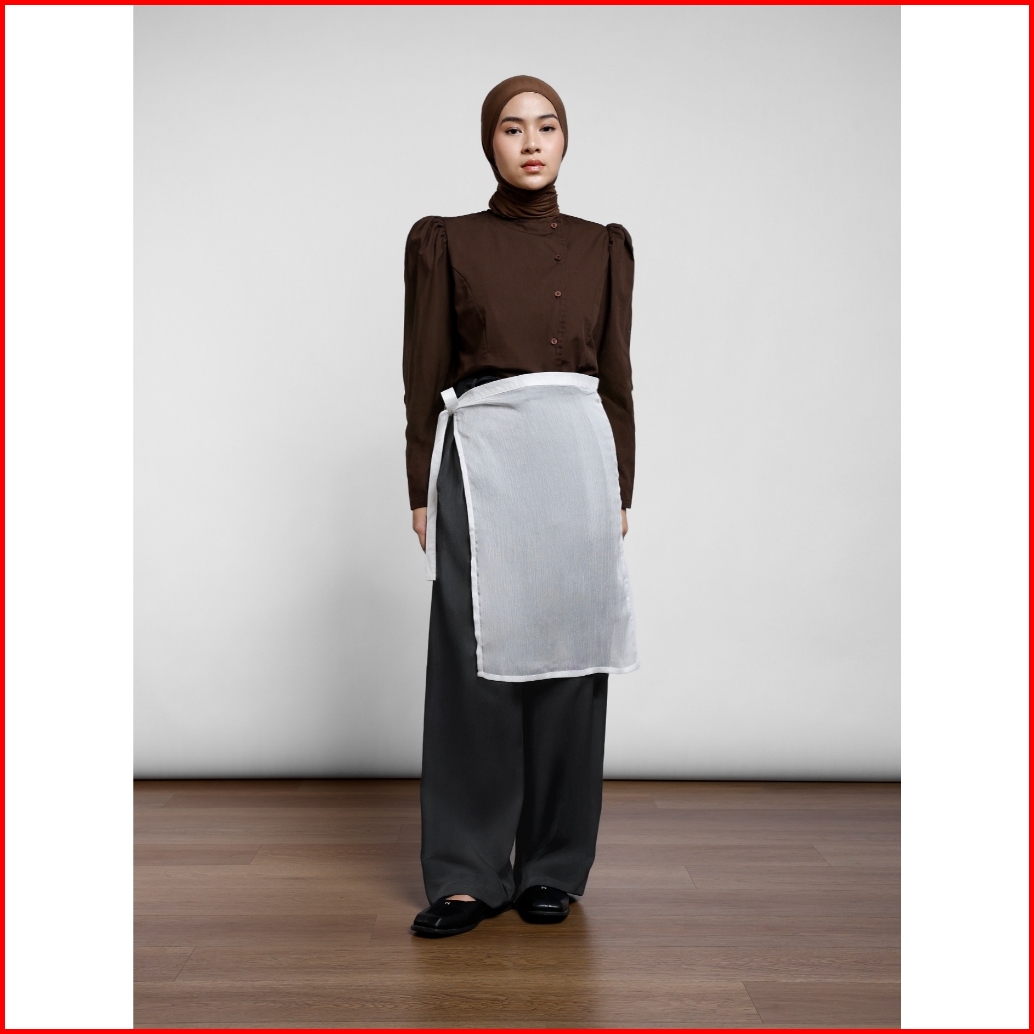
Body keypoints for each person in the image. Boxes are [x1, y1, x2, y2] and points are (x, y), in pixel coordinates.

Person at [402, 75, 638, 938]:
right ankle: (467, 874)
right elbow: (421, 371)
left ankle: (553, 868)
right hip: (483, 458)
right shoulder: (447, 241)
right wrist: (419, 482)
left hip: (578, 461)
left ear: (566, 140)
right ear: (488, 142)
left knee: (572, 661)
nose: (531, 143)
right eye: (512, 128)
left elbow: (617, 376)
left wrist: (622, 484)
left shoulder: (603, 246)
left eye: (547, 126)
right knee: (474, 660)